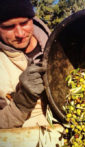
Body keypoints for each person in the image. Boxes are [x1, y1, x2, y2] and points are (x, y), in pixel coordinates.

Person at [0, 0, 51, 128]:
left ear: (32, 19)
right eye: (8, 27)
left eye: (24, 23)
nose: (20, 34)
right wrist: (21, 103)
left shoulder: (60, 47)